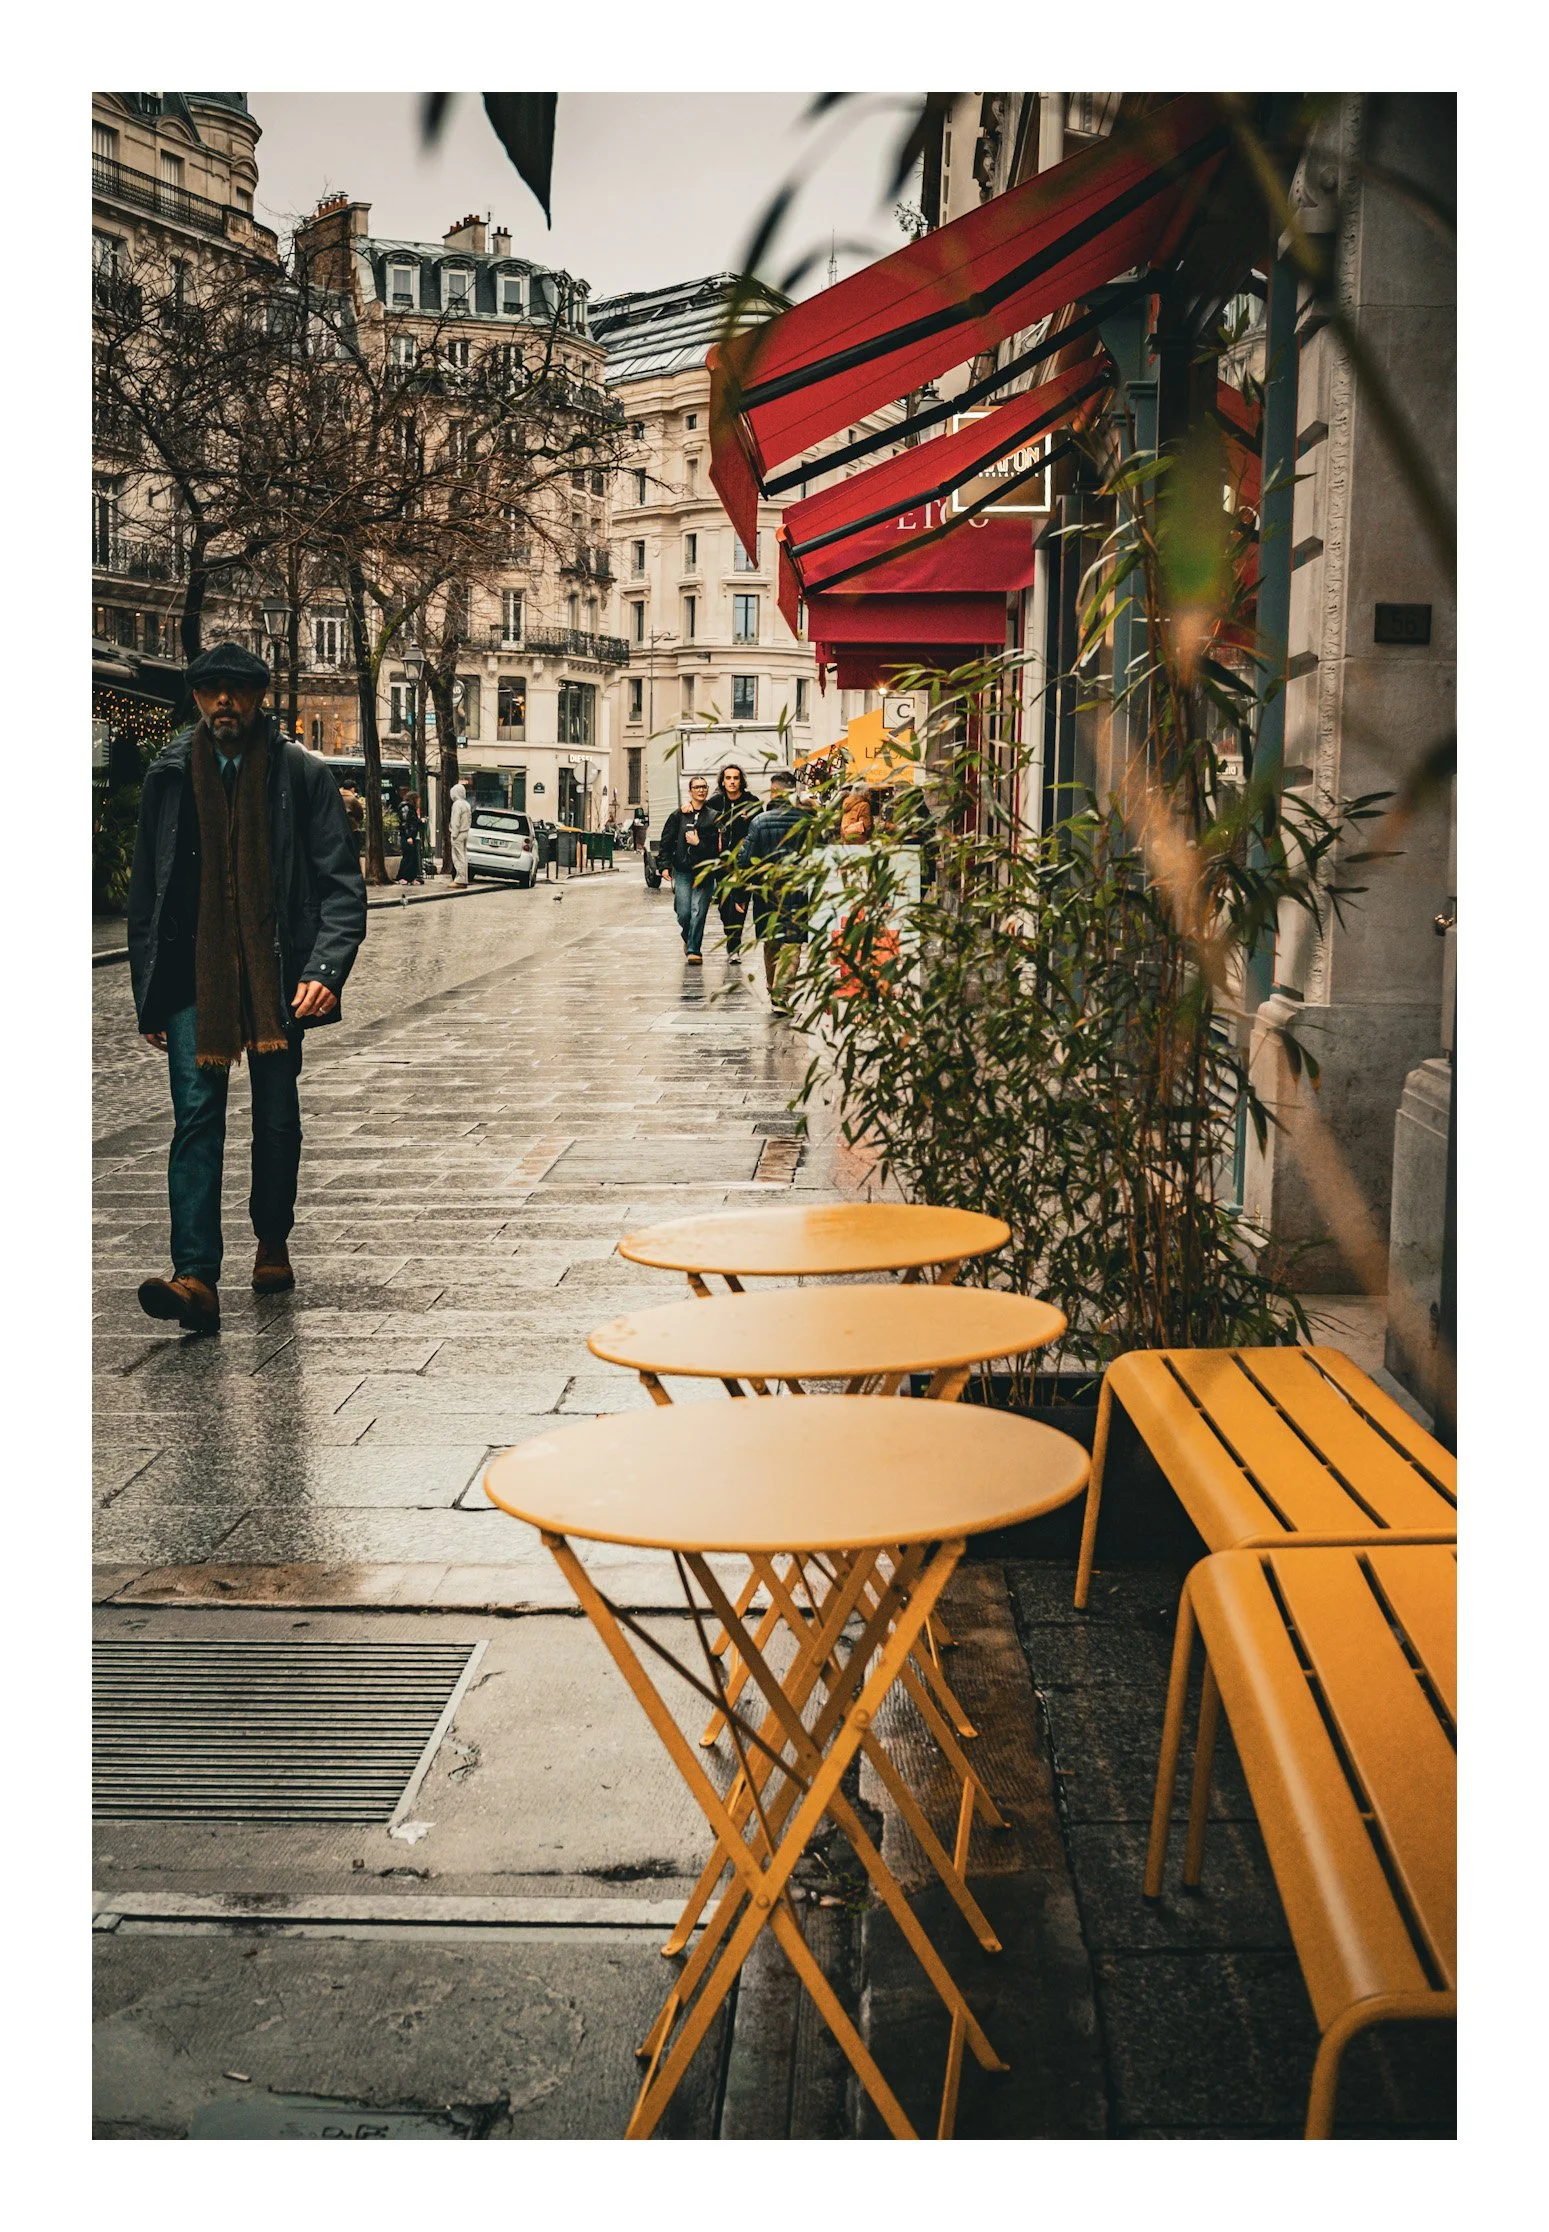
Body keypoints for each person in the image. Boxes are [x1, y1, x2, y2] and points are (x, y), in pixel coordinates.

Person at [126, 642, 367, 1335]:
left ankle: (272, 1238)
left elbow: (340, 888)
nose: (224, 703)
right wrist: (151, 989)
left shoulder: (299, 774)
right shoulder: (169, 775)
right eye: (211, 691)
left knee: (275, 1118)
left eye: (236, 690)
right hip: (192, 977)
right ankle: (195, 1277)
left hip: (275, 973)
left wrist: (322, 971)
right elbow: (149, 894)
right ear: (196, 699)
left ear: (260, 697)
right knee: (195, 1119)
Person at [731, 766, 811, 1010]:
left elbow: (744, 861)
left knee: (771, 941)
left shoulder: (759, 822)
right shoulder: (806, 821)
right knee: (792, 943)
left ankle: (772, 988)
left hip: (766, 894)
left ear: (773, 793)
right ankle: (782, 993)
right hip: (798, 891)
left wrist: (740, 894)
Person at [659, 773, 720, 963]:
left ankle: (694, 950)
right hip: (683, 870)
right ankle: (687, 935)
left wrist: (698, 842)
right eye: (697, 787)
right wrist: (664, 865)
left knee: (698, 911)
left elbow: (714, 849)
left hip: (705, 871)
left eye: (704, 787)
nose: (701, 790)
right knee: (683, 911)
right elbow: (666, 840)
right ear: (690, 791)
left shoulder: (713, 817)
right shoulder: (679, 815)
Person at [708, 763, 759, 957]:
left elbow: (758, 829)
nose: (732, 782)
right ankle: (731, 935)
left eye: (735, 778)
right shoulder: (714, 803)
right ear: (722, 781)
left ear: (741, 781)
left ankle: (734, 946)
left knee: (739, 904)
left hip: (744, 864)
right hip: (721, 864)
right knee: (723, 906)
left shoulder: (751, 802)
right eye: (728, 778)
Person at [395, 788, 425, 885]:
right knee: (408, 857)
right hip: (408, 836)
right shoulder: (406, 808)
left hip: (412, 835)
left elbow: (412, 822)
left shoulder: (410, 809)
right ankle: (402, 876)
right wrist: (409, 836)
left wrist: (419, 822)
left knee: (413, 858)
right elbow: (405, 823)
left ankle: (411, 877)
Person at [448, 778, 472, 886]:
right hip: (466, 831)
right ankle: (464, 878)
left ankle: (460, 879)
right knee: (463, 856)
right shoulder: (467, 804)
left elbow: (455, 821)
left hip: (458, 833)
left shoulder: (457, 804)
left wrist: (453, 834)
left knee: (458, 857)